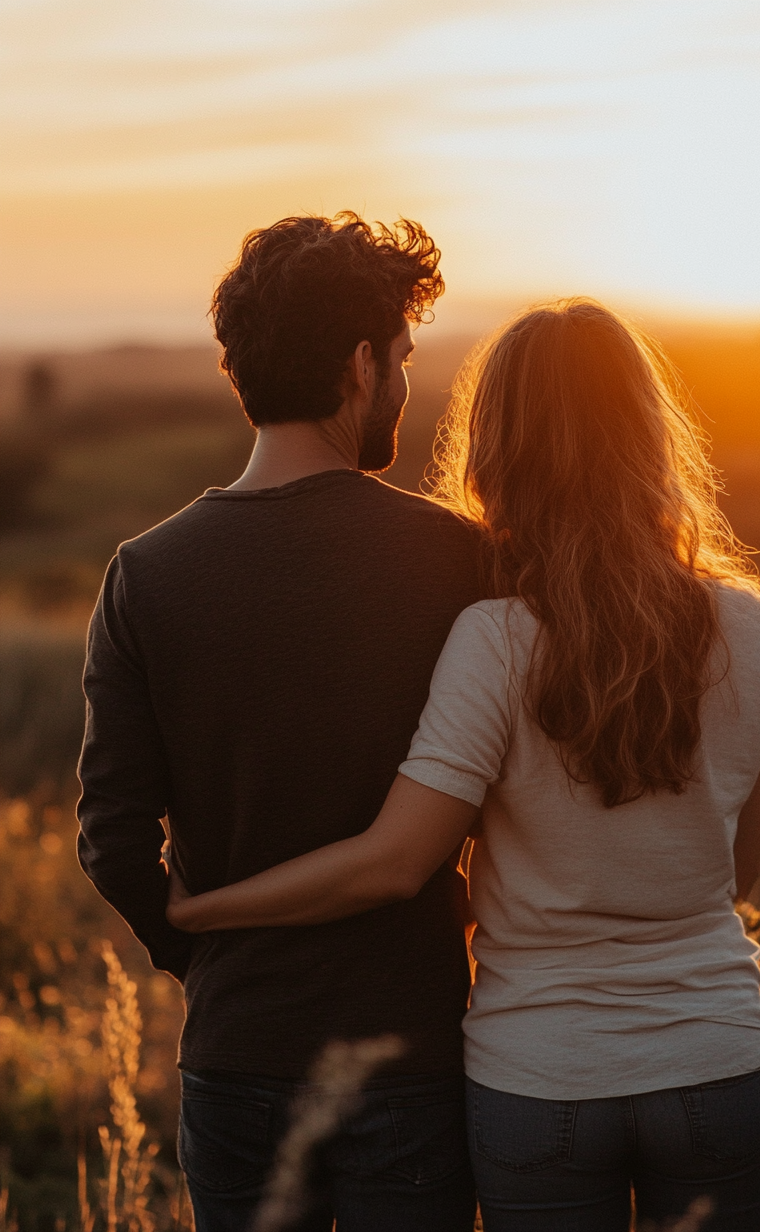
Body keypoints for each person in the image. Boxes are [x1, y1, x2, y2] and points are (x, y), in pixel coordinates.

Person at [167, 298, 760, 1232]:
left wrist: (201, 910)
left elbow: (392, 861)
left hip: (542, 1080)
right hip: (722, 1065)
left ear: (496, 447)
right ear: (650, 435)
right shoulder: (756, 630)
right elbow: (735, 873)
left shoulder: (495, 641)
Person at [77, 213, 483, 1232]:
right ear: (359, 364)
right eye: (399, 356)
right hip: (410, 1052)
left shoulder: (146, 572)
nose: (401, 378)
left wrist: (207, 954)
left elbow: (113, 839)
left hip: (236, 1054)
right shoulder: (456, 559)